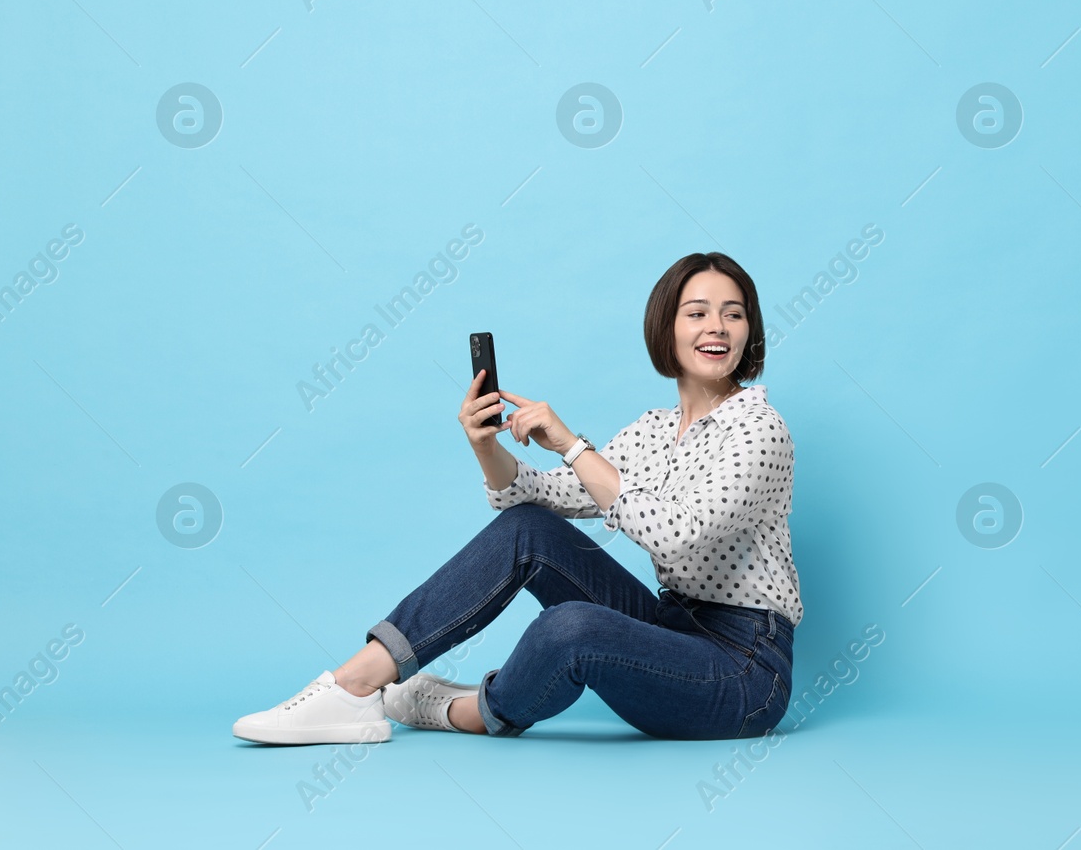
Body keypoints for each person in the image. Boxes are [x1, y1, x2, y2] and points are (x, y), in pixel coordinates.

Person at [233, 252, 801, 743]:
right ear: (667, 329)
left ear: (750, 331)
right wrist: (487, 446)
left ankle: (470, 711)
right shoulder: (654, 430)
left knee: (573, 627)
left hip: (744, 670)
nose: (717, 328)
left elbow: (678, 533)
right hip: (670, 627)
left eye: (734, 314)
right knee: (528, 529)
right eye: (697, 313)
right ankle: (353, 686)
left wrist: (573, 445)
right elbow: (543, 497)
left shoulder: (758, 428)